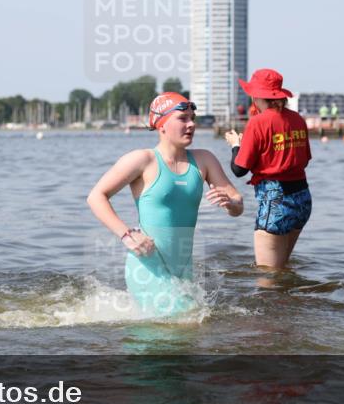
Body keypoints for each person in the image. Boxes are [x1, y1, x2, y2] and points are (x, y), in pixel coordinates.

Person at [87, 93, 243, 316]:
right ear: (162, 124)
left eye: (192, 118)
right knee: (182, 323)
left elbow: (238, 206)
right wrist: (127, 235)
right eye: (183, 118)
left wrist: (230, 203)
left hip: (184, 269)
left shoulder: (204, 159)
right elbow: (96, 196)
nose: (191, 124)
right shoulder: (142, 160)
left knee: (185, 338)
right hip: (148, 266)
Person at [224, 69, 312, 271]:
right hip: (302, 199)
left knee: (268, 277)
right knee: (282, 270)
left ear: (257, 96)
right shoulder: (298, 119)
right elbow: (304, 161)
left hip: (276, 200)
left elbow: (239, 170)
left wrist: (235, 145)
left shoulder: (257, 122)